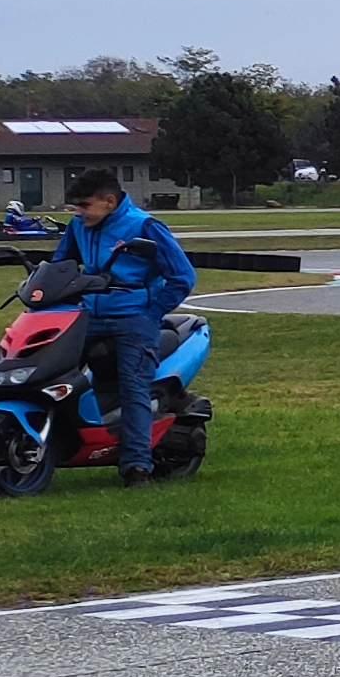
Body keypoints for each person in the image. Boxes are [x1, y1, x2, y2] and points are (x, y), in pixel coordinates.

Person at [48, 168, 195, 483]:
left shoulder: (145, 227)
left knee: (133, 387)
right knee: (51, 373)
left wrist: (151, 312)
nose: (78, 213)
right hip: (88, 317)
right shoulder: (78, 226)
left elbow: (183, 277)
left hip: (133, 321)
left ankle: (137, 466)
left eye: (84, 205)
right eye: (75, 207)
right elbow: (61, 266)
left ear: (109, 201)